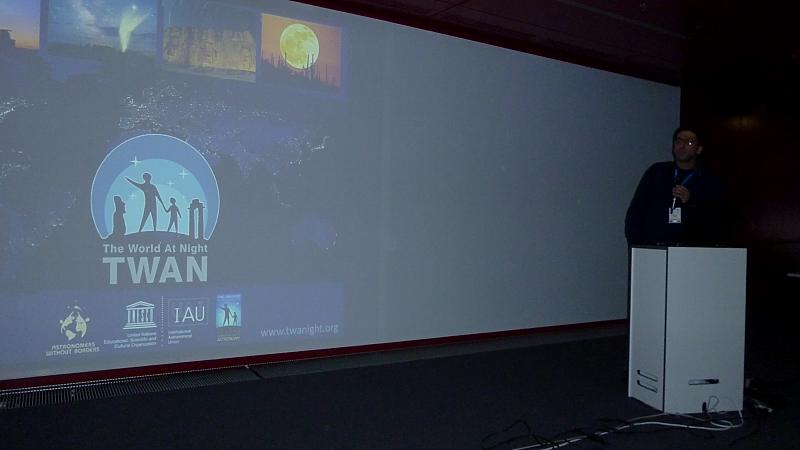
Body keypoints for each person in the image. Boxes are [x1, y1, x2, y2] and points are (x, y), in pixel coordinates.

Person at [625, 127, 728, 246]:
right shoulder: (657, 172)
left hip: (692, 249)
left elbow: (717, 218)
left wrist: (691, 200)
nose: (682, 146)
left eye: (689, 143)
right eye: (678, 142)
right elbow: (636, 212)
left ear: (699, 149)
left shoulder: (709, 179)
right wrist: (637, 245)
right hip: (654, 247)